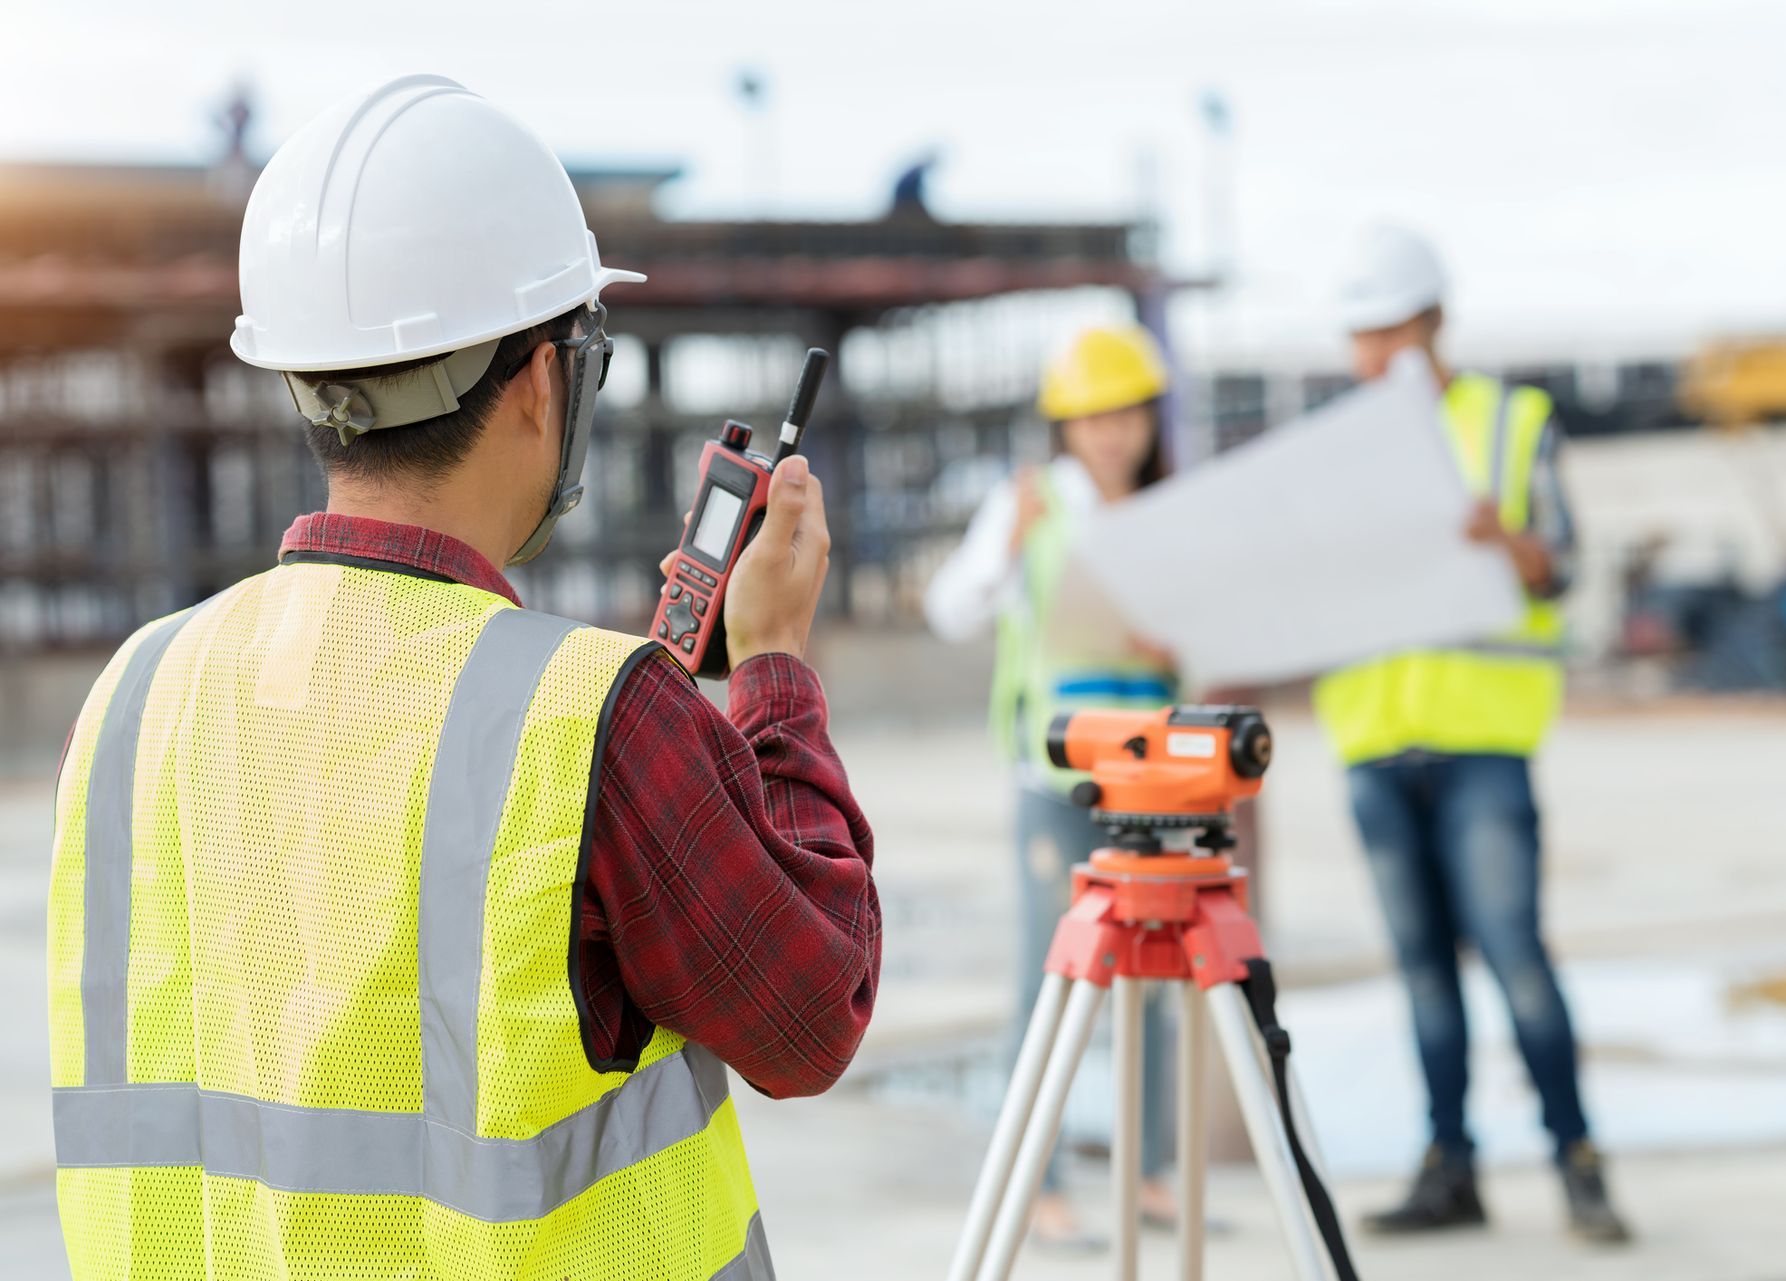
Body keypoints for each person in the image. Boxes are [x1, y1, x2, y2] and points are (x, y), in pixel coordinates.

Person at [46, 76, 878, 1281]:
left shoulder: (135, 692)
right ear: (545, 380)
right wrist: (777, 671)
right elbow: (811, 1015)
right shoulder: (594, 715)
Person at [1313, 225, 1628, 1244]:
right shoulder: (1337, 445)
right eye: (1360, 336)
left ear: (1435, 323)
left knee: (1514, 958)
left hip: (1482, 740)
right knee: (1422, 976)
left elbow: (1564, 566)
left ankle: (1578, 1162)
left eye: (1389, 332)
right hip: (1372, 740)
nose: (1371, 357)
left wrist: (1509, 544)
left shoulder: (1512, 423)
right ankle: (1450, 1167)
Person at [925, 324, 1181, 1249]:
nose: (1113, 432)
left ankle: (1148, 1169)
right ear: (1066, 424)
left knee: (1157, 977)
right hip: (1056, 779)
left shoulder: (1167, 508)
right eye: (1093, 416)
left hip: (1154, 779)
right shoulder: (1031, 502)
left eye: (1128, 412)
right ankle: (1040, 1182)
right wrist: (1008, 549)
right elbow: (949, 609)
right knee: (1054, 980)